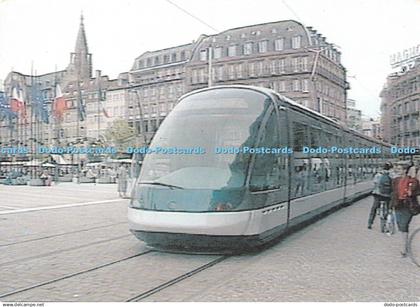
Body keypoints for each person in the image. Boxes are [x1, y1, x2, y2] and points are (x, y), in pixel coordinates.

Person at [391, 164, 419, 257]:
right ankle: (405, 245)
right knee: (400, 225)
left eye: (399, 168)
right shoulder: (395, 180)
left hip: (408, 206)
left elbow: (417, 192)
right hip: (397, 205)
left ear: (405, 170)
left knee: (404, 225)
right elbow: (393, 193)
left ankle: (404, 249)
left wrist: (411, 192)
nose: (397, 170)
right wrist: (390, 206)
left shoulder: (413, 181)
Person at [368, 162, 393, 229]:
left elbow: (374, 183)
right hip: (388, 195)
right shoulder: (391, 175)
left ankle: (370, 223)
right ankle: (387, 221)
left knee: (374, 208)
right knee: (388, 208)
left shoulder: (378, 174)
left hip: (378, 194)